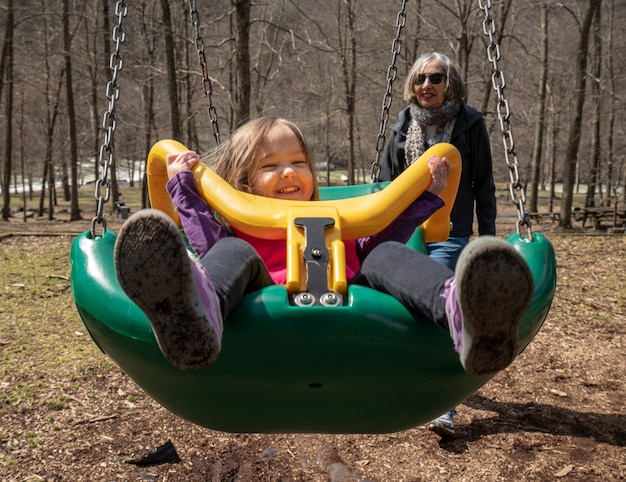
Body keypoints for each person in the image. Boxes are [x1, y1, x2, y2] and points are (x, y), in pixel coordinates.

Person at [114, 117, 532, 387]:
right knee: (231, 251)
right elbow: (204, 239)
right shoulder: (239, 222)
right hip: (263, 292)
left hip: (348, 291)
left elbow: (385, 232)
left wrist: (426, 198)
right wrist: (183, 186)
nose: (289, 172)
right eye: (270, 166)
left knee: (384, 253)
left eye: (298, 161)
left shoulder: (343, 217)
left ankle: (464, 310)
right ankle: (194, 313)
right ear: (241, 182)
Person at [378, 52, 498, 436]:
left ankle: (443, 405)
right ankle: (404, 381)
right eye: (419, 79)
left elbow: (483, 184)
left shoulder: (469, 123)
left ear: (451, 83)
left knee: (442, 305)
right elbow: (384, 184)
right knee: (405, 308)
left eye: (435, 77)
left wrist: (489, 237)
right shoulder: (400, 127)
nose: (426, 85)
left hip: (451, 231)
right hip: (406, 230)